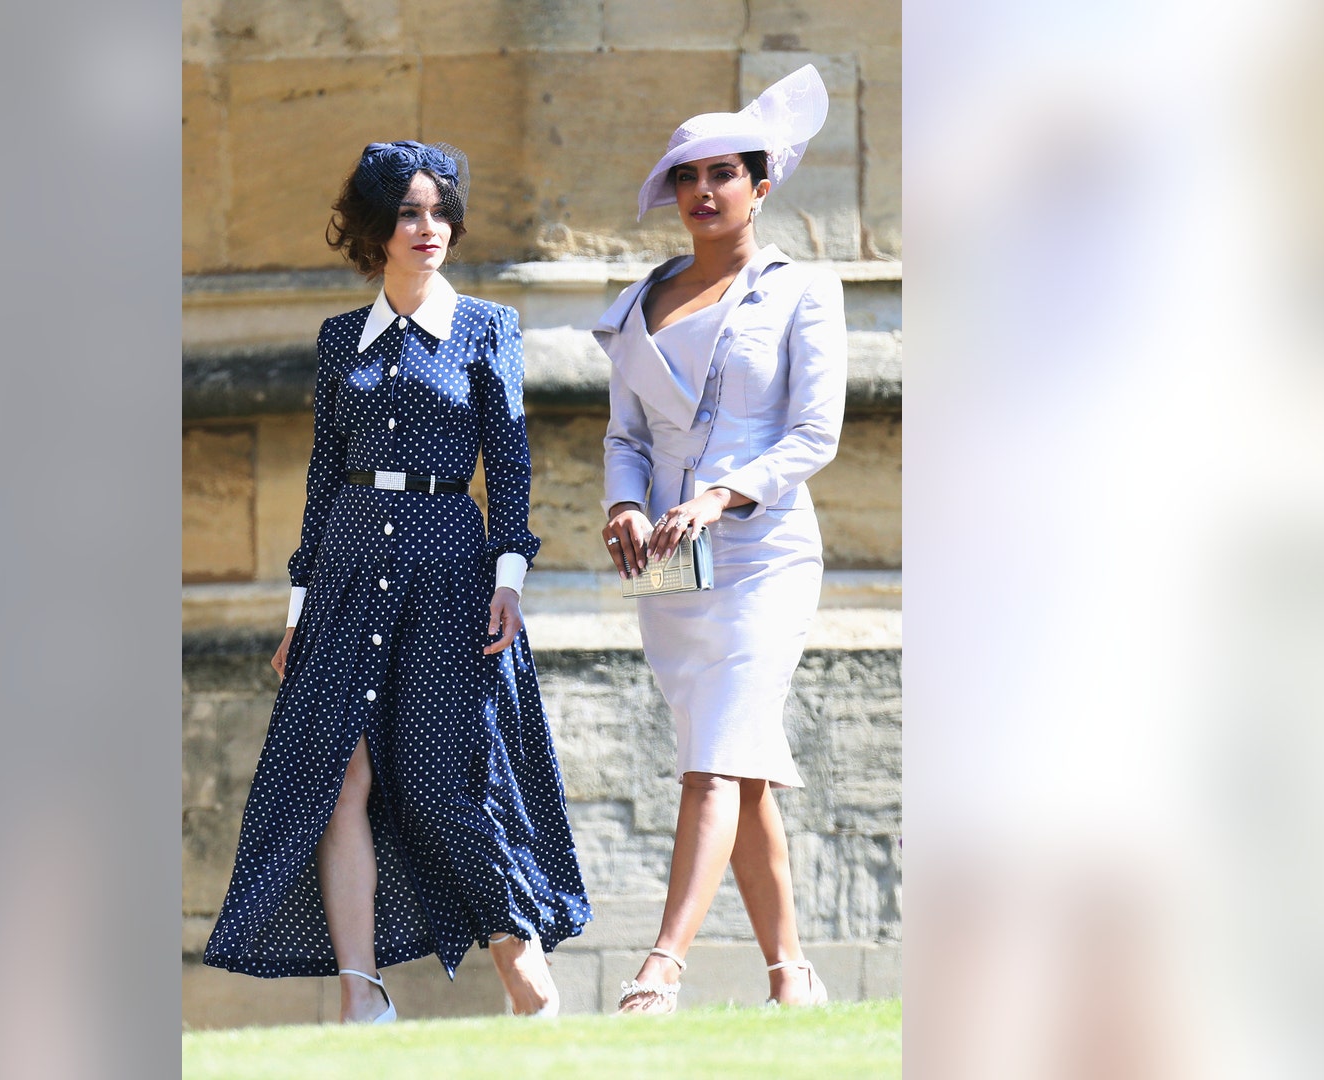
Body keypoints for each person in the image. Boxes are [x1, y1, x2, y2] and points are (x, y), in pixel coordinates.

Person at [202, 140, 589, 1023]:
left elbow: (514, 469)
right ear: (376, 230)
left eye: (440, 210)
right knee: (338, 775)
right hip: (345, 573)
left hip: (451, 569)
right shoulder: (341, 339)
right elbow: (319, 482)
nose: (429, 228)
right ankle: (359, 993)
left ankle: (521, 967)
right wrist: (298, 607)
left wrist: (511, 576)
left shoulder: (487, 327)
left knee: (452, 776)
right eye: (410, 213)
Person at [593, 65, 846, 1013]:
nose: (703, 192)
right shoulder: (636, 302)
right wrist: (625, 505)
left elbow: (813, 437)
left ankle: (661, 968)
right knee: (732, 755)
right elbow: (623, 438)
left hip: (764, 552)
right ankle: (793, 975)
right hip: (664, 562)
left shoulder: (802, 292)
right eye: (688, 178)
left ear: (761, 185)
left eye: (723, 175)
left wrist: (723, 494)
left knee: (712, 762)